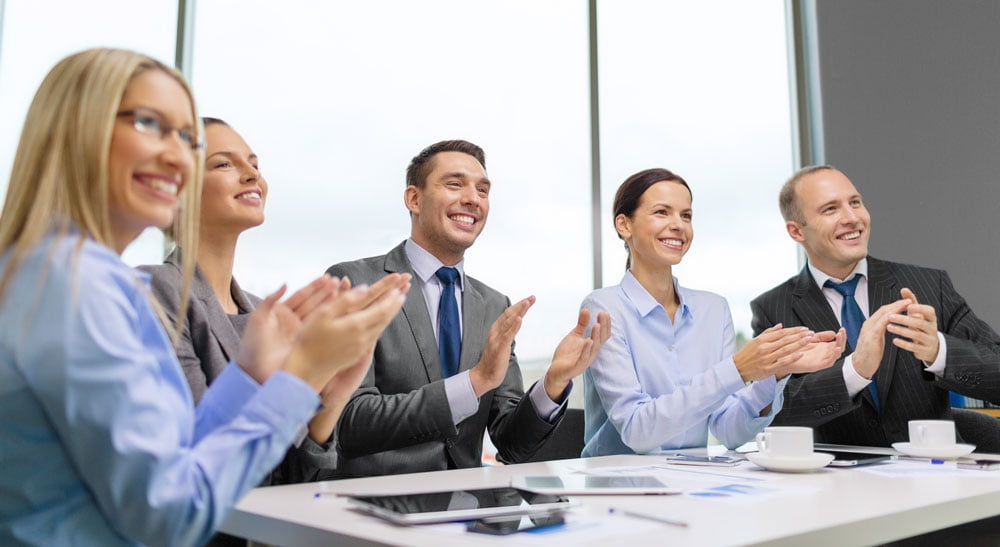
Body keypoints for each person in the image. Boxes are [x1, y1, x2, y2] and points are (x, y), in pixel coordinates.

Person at [0, 48, 408, 545]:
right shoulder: (73, 286)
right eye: (150, 123)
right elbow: (170, 514)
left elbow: (173, 457)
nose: (178, 156)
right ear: (75, 129)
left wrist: (253, 375)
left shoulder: (86, 278)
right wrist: (298, 376)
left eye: (186, 138)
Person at [325, 139, 611, 477]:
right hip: (374, 505)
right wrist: (474, 382)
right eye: (455, 184)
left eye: (483, 190)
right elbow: (349, 423)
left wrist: (553, 382)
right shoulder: (355, 283)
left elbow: (511, 444)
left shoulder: (493, 305)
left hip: (468, 507)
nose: (473, 199)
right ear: (414, 199)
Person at [580, 168, 845, 456]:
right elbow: (637, 431)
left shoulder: (713, 310)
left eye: (686, 215)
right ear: (624, 225)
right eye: (661, 212)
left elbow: (729, 431)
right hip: (615, 485)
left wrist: (776, 373)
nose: (678, 225)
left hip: (690, 483)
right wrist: (737, 370)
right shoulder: (604, 308)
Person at [142, 118, 337, 484]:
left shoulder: (263, 313)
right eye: (224, 164)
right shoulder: (157, 289)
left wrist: (331, 390)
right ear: (177, 188)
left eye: (255, 164)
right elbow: (197, 456)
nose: (252, 175)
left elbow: (292, 475)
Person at [751, 165, 1000, 447]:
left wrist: (939, 351)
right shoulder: (773, 308)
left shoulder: (929, 285)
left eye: (855, 203)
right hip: (839, 483)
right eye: (831, 209)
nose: (852, 217)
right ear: (796, 231)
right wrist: (853, 372)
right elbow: (773, 417)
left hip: (934, 477)